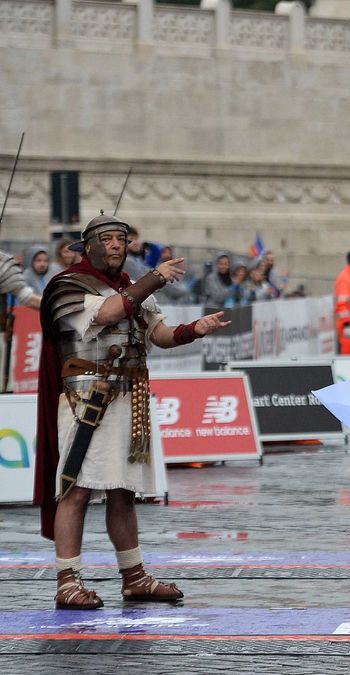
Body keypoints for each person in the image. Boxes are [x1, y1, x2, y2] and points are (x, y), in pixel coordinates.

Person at [33, 214, 229, 609]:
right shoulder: (67, 286)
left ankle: (135, 576)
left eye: (121, 238)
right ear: (86, 247)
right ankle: (67, 580)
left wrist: (195, 329)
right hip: (86, 397)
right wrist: (154, 278)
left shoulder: (131, 288)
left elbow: (161, 335)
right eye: (106, 238)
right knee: (76, 488)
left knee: (124, 491)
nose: (116, 245)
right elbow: (106, 315)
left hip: (129, 396)